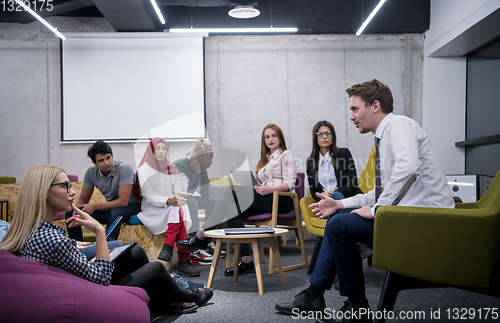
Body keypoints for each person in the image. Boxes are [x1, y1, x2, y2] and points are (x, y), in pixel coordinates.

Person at [275, 79, 454, 322]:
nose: (351, 117)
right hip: (406, 216)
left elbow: (409, 168)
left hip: (426, 220)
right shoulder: (384, 137)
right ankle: (317, 296)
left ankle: (354, 306)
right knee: (337, 217)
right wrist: (339, 204)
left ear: (375, 106)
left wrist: (377, 209)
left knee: (339, 226)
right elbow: (378, 192)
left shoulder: (399, 124)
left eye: (355, 109)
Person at [0, 165, 213, 314]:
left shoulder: (31, 230)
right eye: (64, 186)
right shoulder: (55, 240)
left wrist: (83, 257)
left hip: (73, 279)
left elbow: (63, 264)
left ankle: (167, 296)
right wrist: (98, 231)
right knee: (155, 268)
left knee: (135, 252)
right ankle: (187, 294)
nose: (72, 191)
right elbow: (100, 279)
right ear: (42, 193)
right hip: (88, 292)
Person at [178, 123, 297, 276]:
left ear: (280, 137)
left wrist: (268, 189)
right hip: (263, 199)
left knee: (231, 191)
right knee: (231, 208)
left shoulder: (286, 155)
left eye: (274, 135)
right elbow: (259, 184)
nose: (271, 139)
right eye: (267, 137)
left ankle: (202, 234)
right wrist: (248, 184)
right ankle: (246, 260)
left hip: (281, 200)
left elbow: (289, 183)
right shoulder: (264, 160)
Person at [135, 137, 199, 277]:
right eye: (157, 148)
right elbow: (148, 196)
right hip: (152, 208)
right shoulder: (143, 170)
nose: (161, 151)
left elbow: (176, 192)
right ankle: (184, 260)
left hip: (170, 206)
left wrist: (179, 196)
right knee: (177, 209)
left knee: (178, 206)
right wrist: (168, 200)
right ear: (151, 150)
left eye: (164, 148)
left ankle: (168, 248)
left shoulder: (172, 168)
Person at [65, 140, 140, 241]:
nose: (106, 163)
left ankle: (107, 249)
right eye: (101, 160)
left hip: (131, 206)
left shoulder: (124, 169)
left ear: (112, 155)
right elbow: (83, 200)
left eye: (108, 158)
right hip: (112, 208)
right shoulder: (91, 172)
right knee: (71, 213)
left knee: (115, 213)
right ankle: (77, 249)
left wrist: (94, 206)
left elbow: (123, 201)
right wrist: (77, 210)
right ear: (94, 163)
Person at [173, 138, 218, 262]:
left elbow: (205, 194)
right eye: (209, 158)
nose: (211, 162)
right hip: (173, 200)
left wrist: (202, 174)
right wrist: (197, 172)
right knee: (192, 202)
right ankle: (194, 249)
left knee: (212, 201)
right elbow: (187, 193)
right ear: (199, 157)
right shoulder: (181, 165)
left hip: (185, 198)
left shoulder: (202, 168)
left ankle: (206, 241)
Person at [307, 120, 362, 201]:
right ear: (316, 138)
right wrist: (322, 195)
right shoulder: (310, 162)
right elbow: (314, 191)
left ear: (333, 136)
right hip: (326, 202)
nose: (325, 136)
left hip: (348, 199)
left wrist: (334, 195)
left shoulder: (344, 153)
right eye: (320, 134)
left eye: (328, 133)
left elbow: (352, 184)